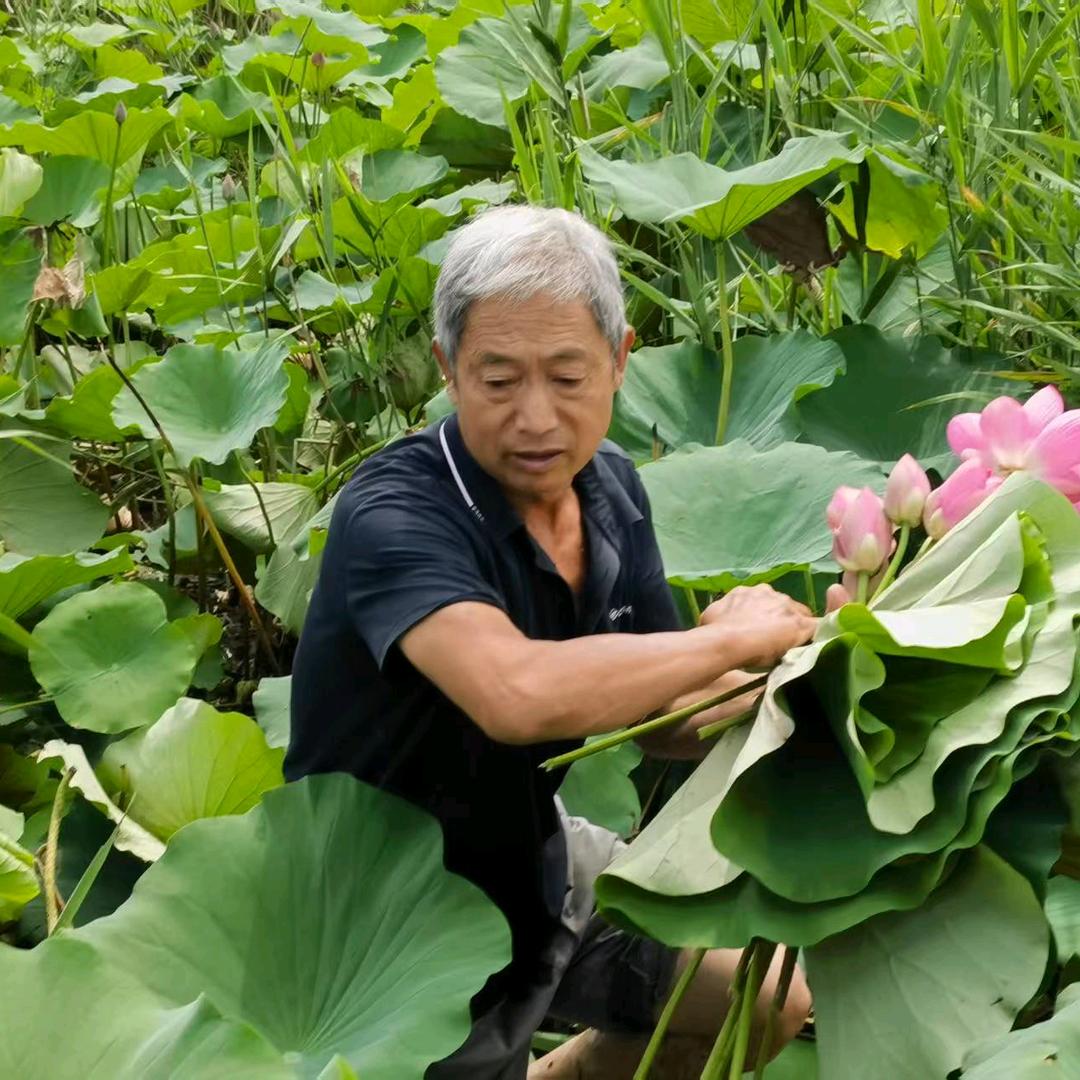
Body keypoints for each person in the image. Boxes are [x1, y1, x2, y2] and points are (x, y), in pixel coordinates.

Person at [286, 205, 815, 1078]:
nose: (537, 419)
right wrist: (722, 642)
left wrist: (792, 667)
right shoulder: (395, 512)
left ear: (620, 360)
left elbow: (664, 722)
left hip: (535, 850)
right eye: (499, 380)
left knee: (770, 1000)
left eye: (568, 378)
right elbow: (516, 696)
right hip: (380, 914)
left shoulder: (610, 487)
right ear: (450, 371)